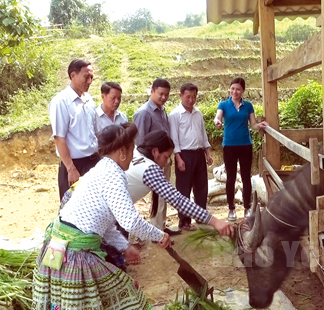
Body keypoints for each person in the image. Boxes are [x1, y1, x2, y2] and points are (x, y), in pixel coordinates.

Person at [32, 123, 234, 310]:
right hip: (75, 251)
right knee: (126, 297)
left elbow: (107, 223)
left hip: (62, 239)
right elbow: (130, 220)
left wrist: (124, 246)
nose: (166, 163)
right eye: (166, 157)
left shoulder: (103, 167)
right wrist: (159, 235)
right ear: (121, 152)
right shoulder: (122, 172)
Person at [214, 77, 268, 221]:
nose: (234, 91)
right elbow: (217, 117)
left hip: (245, 145)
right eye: (232, 88)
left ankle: (246, 208)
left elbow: (253, 124)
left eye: (238, 89)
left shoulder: (248, 106)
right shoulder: (224, 105)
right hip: (229, 146)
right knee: (230, 177)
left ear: (243, 90)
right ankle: (231, 209)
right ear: (230, 89)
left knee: (246, 177)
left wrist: (260, 126)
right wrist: (217, 121)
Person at [133, 78, 179, 234]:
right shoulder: (143, 113)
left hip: (162, 159)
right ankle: (155, 229)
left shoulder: (162, 110)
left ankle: (161, 225)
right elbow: (140, 142)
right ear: (152, 91)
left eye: (166, 94)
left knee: (163, 194)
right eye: (160, 94)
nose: (163, 98)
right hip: (150, 162)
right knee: (156, 194)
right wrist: (149, 162)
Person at [49, 59, 100, 201]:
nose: (89, 81)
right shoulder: (61, 102)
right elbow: (59, 138)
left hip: (93, 162)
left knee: (94, 206)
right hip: (75, 164)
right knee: (73, 209)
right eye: (86, 77)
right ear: (73, 76)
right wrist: (71, 168)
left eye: (91, 77)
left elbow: (94, 133)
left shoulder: (89, 100)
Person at [168, 83, 213, 231]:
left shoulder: (198, 113)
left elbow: (203, 134)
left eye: (194, 96)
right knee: (183, 189)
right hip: (184, 155)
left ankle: (201, 216)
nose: (191, 100)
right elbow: (174, 139)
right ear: (180, 96)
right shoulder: (175, 115)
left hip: (199, 154)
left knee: (201, 187)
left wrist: (208, 153)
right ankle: (184, 221)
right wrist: (179, 158)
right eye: (188, 96)